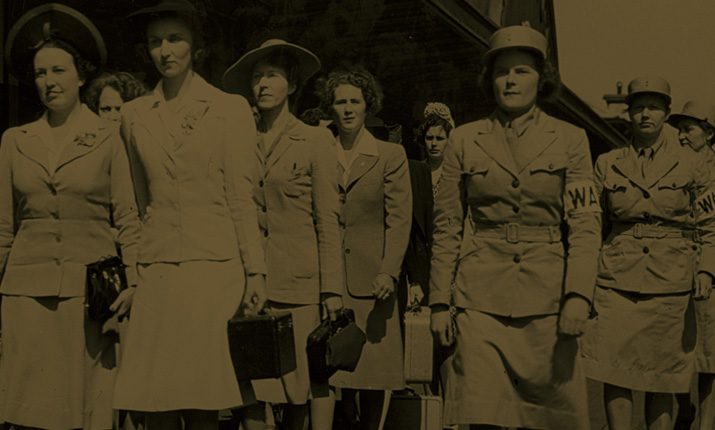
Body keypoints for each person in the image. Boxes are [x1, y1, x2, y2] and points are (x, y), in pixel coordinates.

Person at [430, 25, 601, 430]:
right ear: (489, 79)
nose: (510, 81)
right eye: (501, 71)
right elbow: (447, 225)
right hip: (480, 298)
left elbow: (585, 223)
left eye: (522, 71)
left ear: (542, 79)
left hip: (548, 300)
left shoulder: (571, 140)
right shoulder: (464, 141)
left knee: (546, 417)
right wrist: (440, 301)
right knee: (481, 413)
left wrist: (578, 294)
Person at [112, 1, 267, 428]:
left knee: (202, 397)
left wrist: (256, 271)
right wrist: (134, 272)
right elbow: (137, 204)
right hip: (158, 270)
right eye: (155, 41)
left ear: (195, 47)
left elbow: (241, 196)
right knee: (157, 398)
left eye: (175, 39)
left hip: (213, 269)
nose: (165, 51)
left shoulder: (228, 108)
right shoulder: (133, 116)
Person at [0, 4, 140, 429]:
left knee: (88, 410)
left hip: (90, 296)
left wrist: (134, 279)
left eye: (58, 71)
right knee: (30, 411)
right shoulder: (14, 140)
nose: (48, 82)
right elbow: (4, 227)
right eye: (41, 73)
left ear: (81, 76)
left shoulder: (108, 138)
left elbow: (127, 216)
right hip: (27, 294)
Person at [222, 39, 343, 430]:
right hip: (248, 284)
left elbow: (327, 221)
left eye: (272, 76)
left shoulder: (315, 140)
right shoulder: (239, 140)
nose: (262, 85)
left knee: (298, 391)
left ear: (292, 85)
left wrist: (331, 291)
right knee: (251, 387)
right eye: (256, 77)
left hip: (299, 288)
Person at [582, 79, 715, 430]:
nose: (645, 115)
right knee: (615, 369)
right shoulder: (607, 164)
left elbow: (710, 224)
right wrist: (584, 279)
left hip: (670, 281)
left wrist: (706, 270)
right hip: (614, 278)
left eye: (654, 108)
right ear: (628, 114)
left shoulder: (692, 165)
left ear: (666, 113)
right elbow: (590, 225)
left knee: (662, 377)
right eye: (638, 107)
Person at [319, 66, 412, 430]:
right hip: (328, 279)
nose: (347, 108)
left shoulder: (390, 155)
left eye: (354, 101)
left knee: (373, 376)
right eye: (339, 101)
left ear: (367, 105)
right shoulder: (319, 150)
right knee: (331, 374)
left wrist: (389, 270)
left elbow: (399, 219)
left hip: (374, 283)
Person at [670, 101, 715, 430]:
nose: (682, 136)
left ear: (709, 132)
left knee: (710, 354)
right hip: (675, 263)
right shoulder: (673, 164)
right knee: (676, 349)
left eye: (689, 129)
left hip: (711, 267)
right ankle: (685, 410)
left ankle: (707, 421)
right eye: (679, 130)